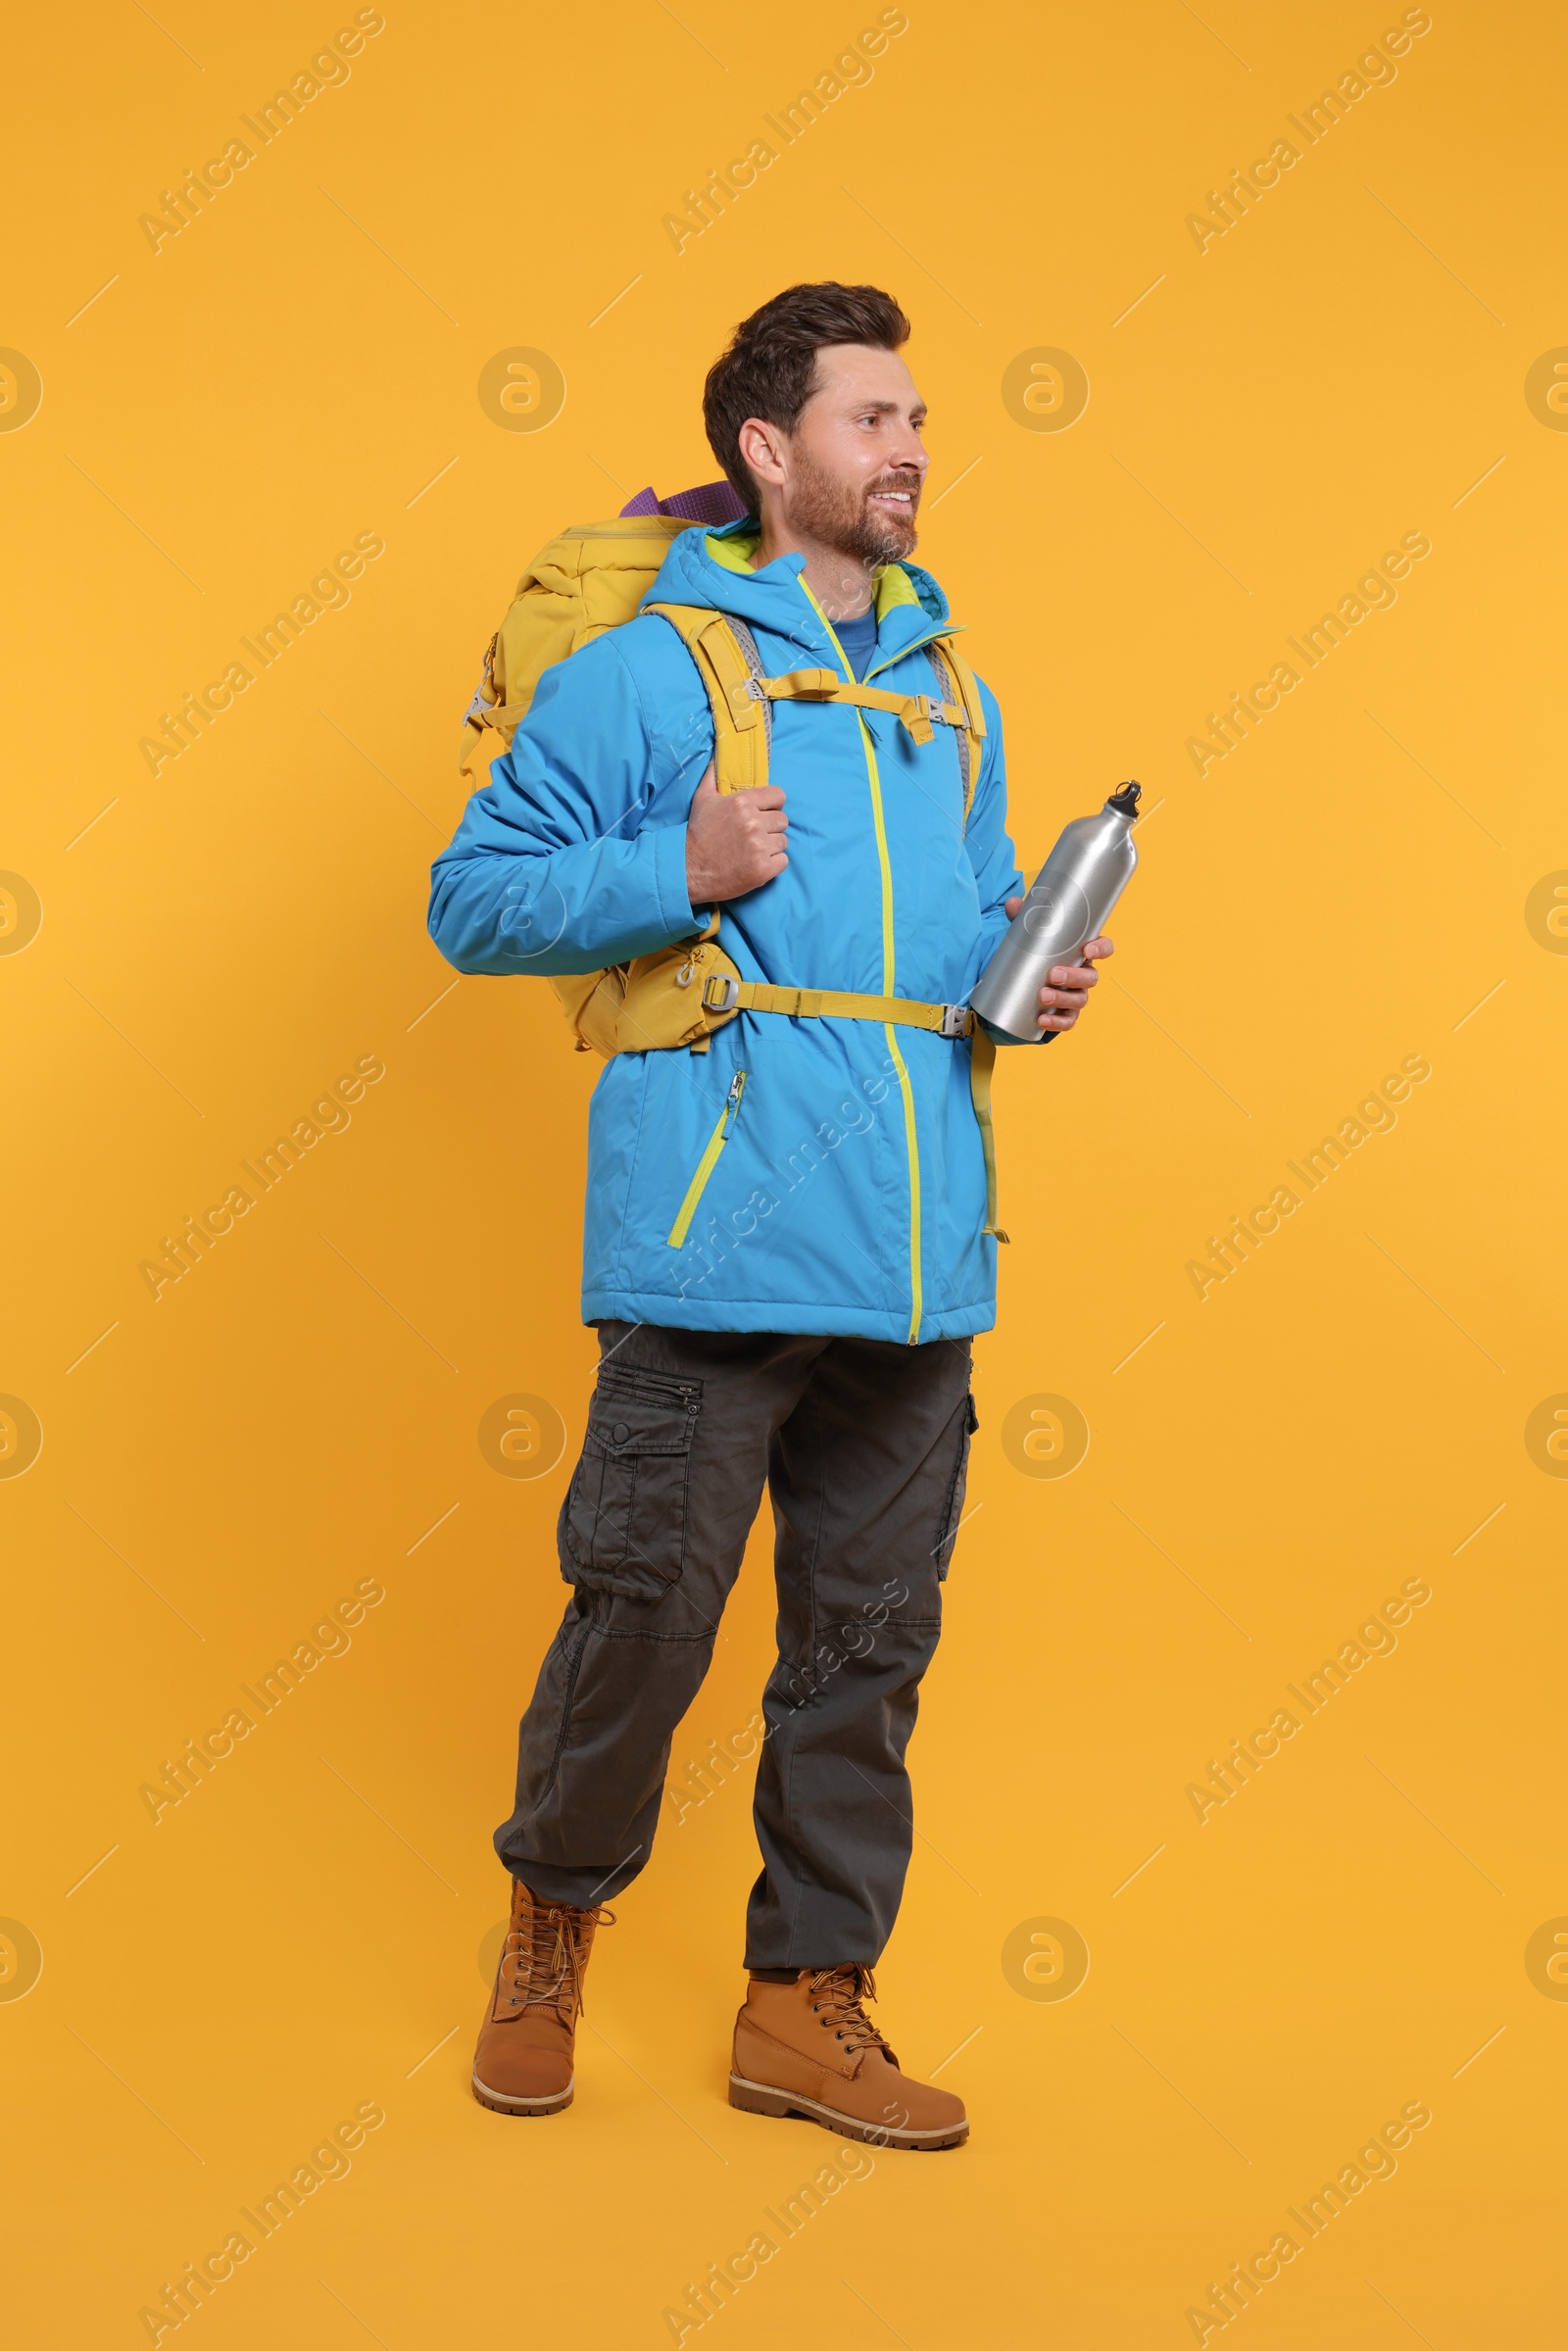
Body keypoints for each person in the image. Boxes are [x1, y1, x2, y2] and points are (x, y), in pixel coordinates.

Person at [427, 282, 1112, 2149]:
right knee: (643, 1625)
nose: (908, 450)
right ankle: (551, 1933)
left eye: (913, 420)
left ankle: (805, 2010)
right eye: (871, 419)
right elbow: (469, 900)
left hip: (916, 1250)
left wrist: (1021, 970)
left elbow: (955, 918)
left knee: (865, 1650)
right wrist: (680, 864)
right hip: (717, 1245)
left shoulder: (949, 682)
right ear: (767, 447)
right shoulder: (653, 667)